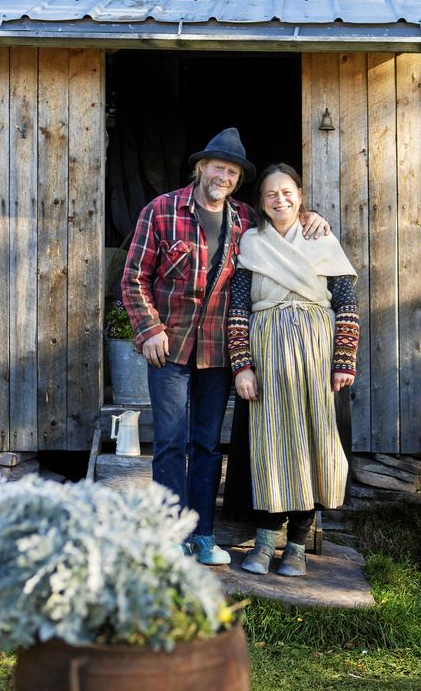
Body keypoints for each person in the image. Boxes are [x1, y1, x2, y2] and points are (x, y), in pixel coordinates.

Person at [121, 130, 329, 566]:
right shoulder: (161, 211)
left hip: (217, 350)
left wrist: (313, 218)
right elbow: (133, 278)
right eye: (218, 167)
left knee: (206, 446)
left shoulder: (245, 220)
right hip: (170, 347)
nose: (223, 176)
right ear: (200, 168)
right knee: (170, 443)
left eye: (232, 171)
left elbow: (283, 216)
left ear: (237, 180)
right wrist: (149, 329)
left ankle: (202, 535)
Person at [228, 163, 360, 578]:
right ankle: (266, 542)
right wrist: (242, 366)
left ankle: (298, 546)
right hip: (267, 362)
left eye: (287, 192)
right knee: (270, 449)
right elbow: (237, 309)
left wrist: (343, 361)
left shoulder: (323, 241)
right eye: (271, 194)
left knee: (312, 448)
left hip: (317, 363)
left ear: (300, 196)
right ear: (261, 203)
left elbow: (347, 306)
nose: (280, 200)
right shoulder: (251, 243)